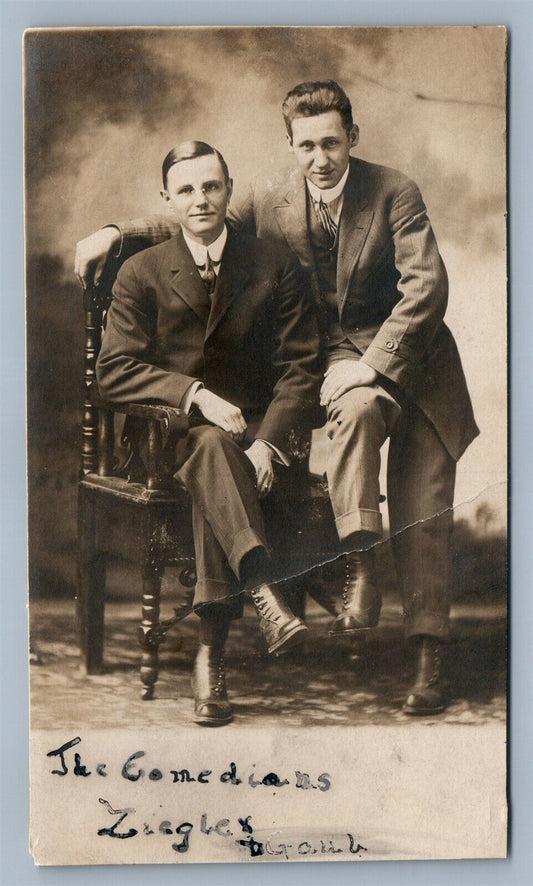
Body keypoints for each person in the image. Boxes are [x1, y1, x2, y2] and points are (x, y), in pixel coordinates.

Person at [76, 81, 479, 715]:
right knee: (348, 412)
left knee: (423, 509)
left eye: (331, 142)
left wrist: (372, 365)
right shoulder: (270, 196)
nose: (320, 159)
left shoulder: (393, 190)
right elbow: (196, 218)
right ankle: (355, 558)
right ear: (291, 146)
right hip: (335, 364)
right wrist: (114, 231)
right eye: (306, 145)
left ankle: (429, 656)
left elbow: (425, 290)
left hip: (415, 361)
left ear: (353, 137)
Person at [95, 140, 323, 726]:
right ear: (167, 198)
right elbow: (114, 371)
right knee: (208, 446)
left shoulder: (273, 265)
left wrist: (270, 442)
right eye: (188, 189)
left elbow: (301, 367)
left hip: (254, 441)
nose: (201, 199)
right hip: (162, 440)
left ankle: (211, 656)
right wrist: (194, 394)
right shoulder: (140, 271)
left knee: (217, 454)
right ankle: (261, 590)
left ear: (228, 189)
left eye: (212, 186)